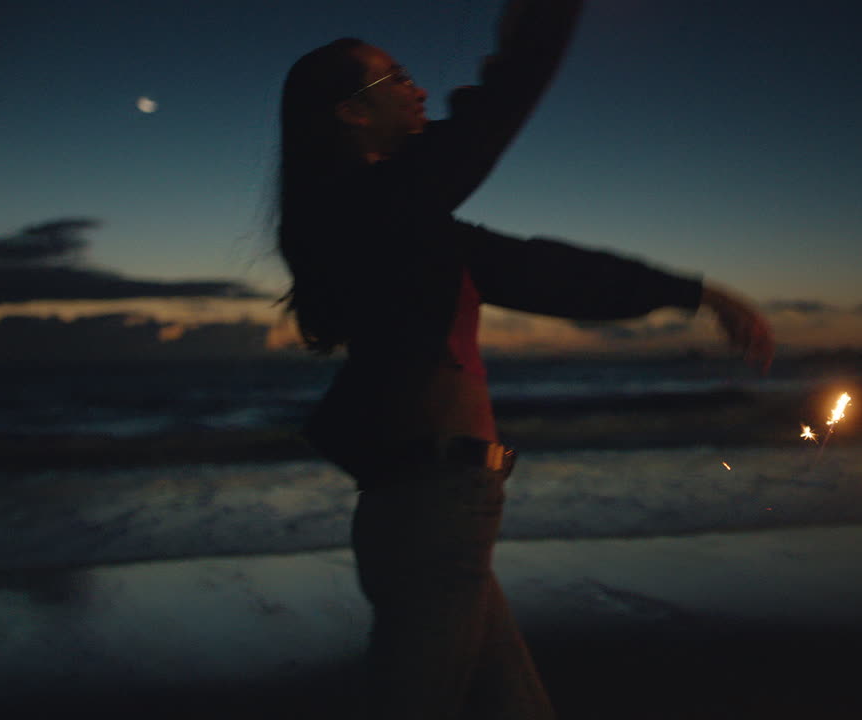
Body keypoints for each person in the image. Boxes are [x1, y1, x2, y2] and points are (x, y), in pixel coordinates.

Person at [273, 0, 774, 717]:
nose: (417, 89)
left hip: (437, 505)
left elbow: (542, 270)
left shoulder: (403, 221)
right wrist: (542, 24)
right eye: (397, 79)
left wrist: (692, 293)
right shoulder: (371, 206)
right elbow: (490, 117)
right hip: (432, 503)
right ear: (353, 113)